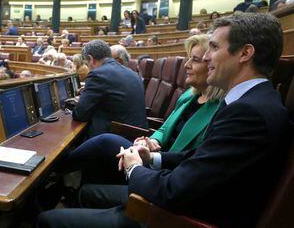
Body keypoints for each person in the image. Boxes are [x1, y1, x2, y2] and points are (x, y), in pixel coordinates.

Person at [38, 13, 291, 228]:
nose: (205, 58)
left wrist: (134, 167)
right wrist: (152, 158)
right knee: (87, 192)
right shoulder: (251, 102)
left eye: (214, 48)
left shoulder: (250, 113)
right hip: (184, 201)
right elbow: (198, 156)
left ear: (245, 53)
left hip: (174, 217)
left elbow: (175, 191)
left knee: (47, 220)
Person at [70, 40, 148, 137]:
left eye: (86, 63)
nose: (88, 67)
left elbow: (80, 114)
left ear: (91, 59)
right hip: (139, 137)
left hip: (115, 139)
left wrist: (81, 100)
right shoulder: (133, 73)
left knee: (71, 151)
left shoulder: (97, 74)